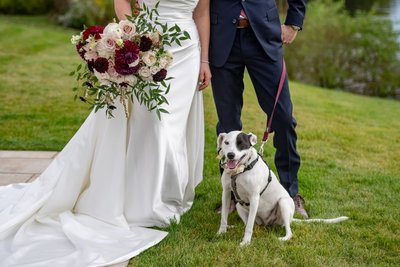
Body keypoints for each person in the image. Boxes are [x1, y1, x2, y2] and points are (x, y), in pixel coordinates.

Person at [0, 0, 211, 265]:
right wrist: (132, 38)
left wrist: (204, 59)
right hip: (148, 45)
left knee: (172, 127)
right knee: (153, 125)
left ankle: (165, 196)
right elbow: (122, 1)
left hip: (186, 50)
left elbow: (202, 12)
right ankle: (145, 204)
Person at [209, 0, 308, 218]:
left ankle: (290, 193)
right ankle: (233, 196)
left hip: (263, 34)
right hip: (222, 36)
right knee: (228, 123)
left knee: (283, 117)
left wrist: (293, 23)